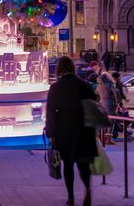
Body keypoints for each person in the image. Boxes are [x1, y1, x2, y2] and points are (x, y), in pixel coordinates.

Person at [46, 56, 98, 206]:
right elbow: (94, 100)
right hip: (83, 129)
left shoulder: (55, 88)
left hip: (64, 131)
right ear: (73, 68)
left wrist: (51, 134)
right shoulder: (83, 85)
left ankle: (71, 197)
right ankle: (87, 189)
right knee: (83, 165)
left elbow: (51, 112)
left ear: (59, 69)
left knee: (68, 165)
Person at [92, 62, 118, 145]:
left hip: (101, 103)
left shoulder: (99, 86)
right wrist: (118, 102)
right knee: (111, 120)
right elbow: (116, 92)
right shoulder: (109, 84)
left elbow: (95, 94)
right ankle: (108, 138)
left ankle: (101, 137)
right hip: (109, 102)